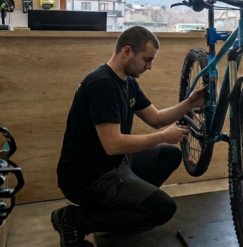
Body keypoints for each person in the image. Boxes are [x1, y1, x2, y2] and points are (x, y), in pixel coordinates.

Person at [51, 26, 205, 247]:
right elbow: (113, 144)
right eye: (146, 59)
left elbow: (156, 118)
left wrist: (190, 103)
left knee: (169, 155)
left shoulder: (128, 82)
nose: (149, 67)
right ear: (126, 51)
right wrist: (162, 136)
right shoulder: (102, 84)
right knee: (163, 209)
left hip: (115, 163)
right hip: (89, 177)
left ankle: (130, 206)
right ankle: (73, 220)